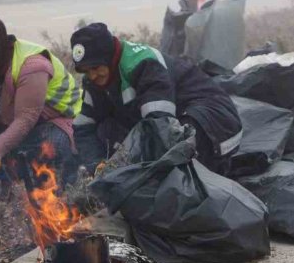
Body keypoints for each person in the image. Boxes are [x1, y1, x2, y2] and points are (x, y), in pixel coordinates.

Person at [70, 22, 242, 176]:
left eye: (96, 67)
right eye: (85, 71)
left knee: (173, 145)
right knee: (105, 130)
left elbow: (160, 126)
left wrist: (121, 167)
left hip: (213, 123)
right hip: (169, 121)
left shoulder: (144, 64)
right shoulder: (94, 80)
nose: (92, 75)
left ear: (109, 57)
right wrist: (98, 168)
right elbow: (84, 128)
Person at [0, 14, 82, 193]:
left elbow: (26, 118)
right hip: (12, 120)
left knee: (51, 146)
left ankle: (54, 195)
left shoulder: (32, 64)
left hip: (55, 121)